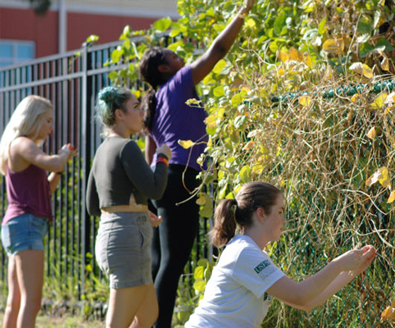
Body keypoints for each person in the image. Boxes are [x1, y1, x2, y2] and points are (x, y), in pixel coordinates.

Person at [138, 0, 255, 326]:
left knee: (160, 262)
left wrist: (149, 196)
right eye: (174, 56)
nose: (181, 58)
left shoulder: (153, 103)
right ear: (165, 69)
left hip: (162, 182)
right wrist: (243, 11)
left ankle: (146, 321)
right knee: (173, 263)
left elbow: (151, 156)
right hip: (183, 178)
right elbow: (216, 51)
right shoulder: (178, 84)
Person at [184, 181, 377, 328]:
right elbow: (299, 295)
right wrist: (339, 263)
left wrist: (352, 271)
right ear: (261, 214)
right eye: (280, 211)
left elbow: (306, 302)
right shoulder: (243, 252)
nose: (284, 220)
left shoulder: (253, 254)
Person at [85, 86, 172, 328]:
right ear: (118, 114)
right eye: (135, 107)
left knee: (147, 315)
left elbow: (93, 205)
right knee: (118, 323)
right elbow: (155, 189)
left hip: (113, 235)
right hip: (127, 241)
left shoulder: (102, 151)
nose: (142, 111)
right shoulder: (127, 147)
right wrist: (162, 158)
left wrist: (140, 210)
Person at [0, 95, 78, 328]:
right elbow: (53, 163)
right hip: (26, 225)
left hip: (20, 225)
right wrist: (62, 156)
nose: (51, 128)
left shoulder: (21, 147)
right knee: (32, 302)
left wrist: (61, 167)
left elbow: (46, 189)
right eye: (48, 121)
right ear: (32, 119)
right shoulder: (23, 143)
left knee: (16, 301)